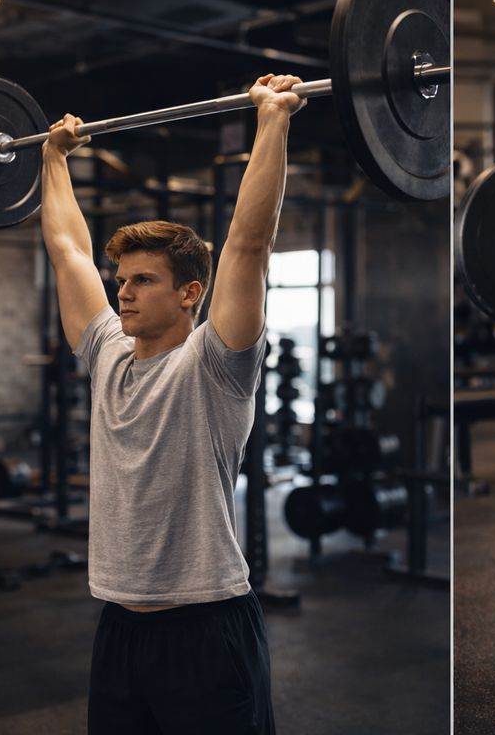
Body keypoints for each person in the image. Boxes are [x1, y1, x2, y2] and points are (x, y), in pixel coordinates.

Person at [40, 73, 307, 734]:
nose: (123, 293)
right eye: (121, 281)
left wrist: (272, 119)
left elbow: (249, 245)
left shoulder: (215, 366)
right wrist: (53, 159)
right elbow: (67, 248)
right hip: (118, 628)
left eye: (143, 280)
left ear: (190, 293)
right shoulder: (106, 352)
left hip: (207, 627)